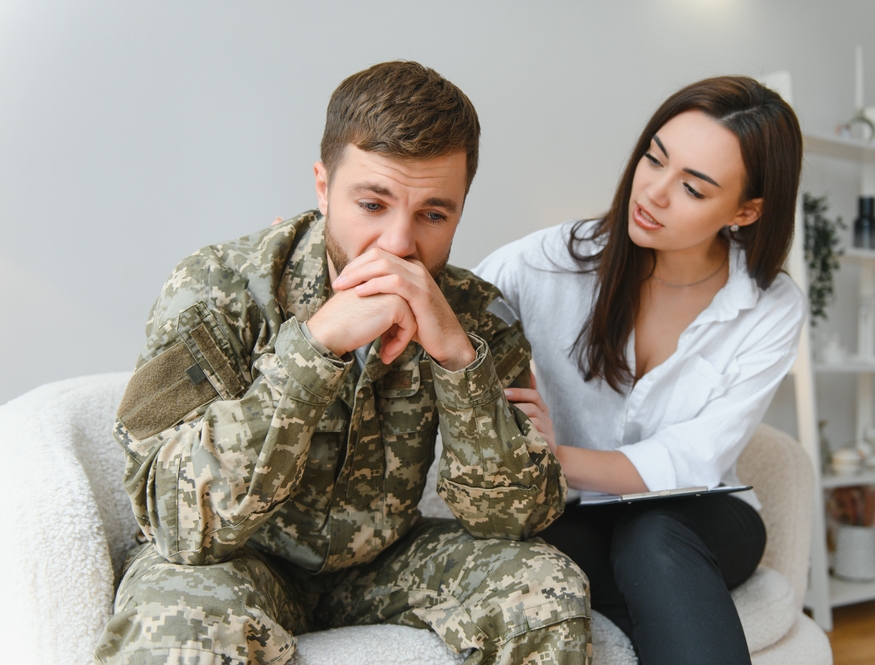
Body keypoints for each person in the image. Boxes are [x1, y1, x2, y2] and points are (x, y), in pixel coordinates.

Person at [95, 61, 590, 665]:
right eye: (373, 204)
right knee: (171, 624)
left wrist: (458, 360)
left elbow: (517, 520)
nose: (399, 244)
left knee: (545, 588)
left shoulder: (477, 315)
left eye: (434, 214)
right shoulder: (218, 287)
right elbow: (175, 521)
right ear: (324, 187)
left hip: (384, 564)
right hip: (242, 558)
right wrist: (316, 346)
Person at [475, 76, 805, 664]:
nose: (652, 192)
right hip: (575, 519)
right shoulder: (547, 263)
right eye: (654, 159)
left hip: (700, 516)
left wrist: (556, 457)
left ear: (745, 211)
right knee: (527, 552)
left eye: (693, 188)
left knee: (650, 536)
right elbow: (449, 318)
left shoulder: (770, 307)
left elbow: (695, 457)